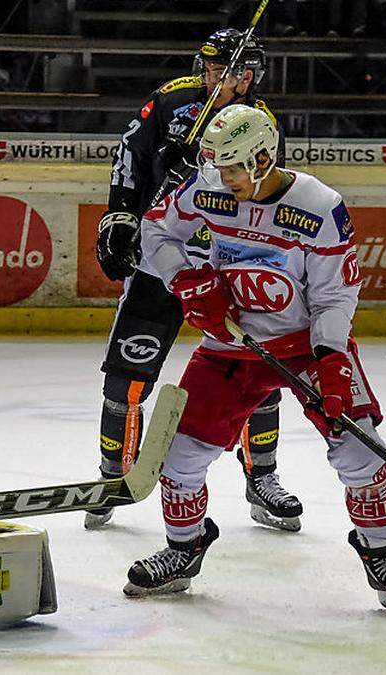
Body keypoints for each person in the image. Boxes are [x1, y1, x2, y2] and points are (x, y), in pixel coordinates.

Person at [125, 104, 386, 616]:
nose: (222, 179)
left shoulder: (319, 205)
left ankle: (381, 557)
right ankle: (185, 548)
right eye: (216, 165)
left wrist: (333, 361)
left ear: (264, 158)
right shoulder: (207, 187)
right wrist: (186, 280)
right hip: (231, 344)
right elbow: (155, 231)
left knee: (362, 452)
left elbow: (336, 297)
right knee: (179, 459)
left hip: (307, 345)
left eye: (232, 168)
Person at [92, 29, 302, 533]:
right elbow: (130, 157)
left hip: (227, 261)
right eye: (213, 69)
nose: (221, 79)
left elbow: (261, 190)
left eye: (233, 72)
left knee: (257, 369)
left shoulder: (260, 122)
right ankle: (112, 476)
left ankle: (262, 477)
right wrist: (121, 215)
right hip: (159, 257)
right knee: (129, 372)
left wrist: (202, 169)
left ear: (252, 75)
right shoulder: (171, 99)